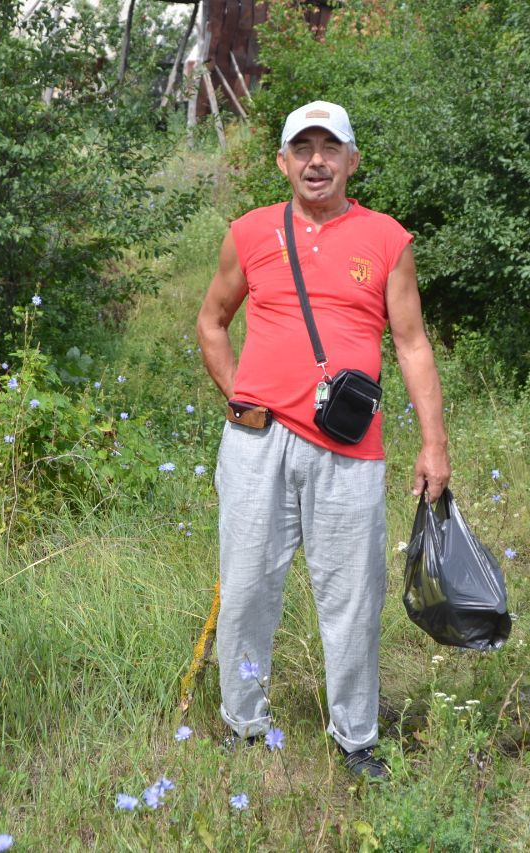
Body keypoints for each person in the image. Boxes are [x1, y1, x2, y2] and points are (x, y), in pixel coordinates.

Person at [196, 100, 451, 778]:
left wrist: (435, 446)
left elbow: (413, 344)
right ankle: (245, 723)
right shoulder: (249, 232)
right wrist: (240, 398)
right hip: (256, 447)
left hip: (350, 451)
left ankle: (355, 737)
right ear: (282, 162)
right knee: (247, 590)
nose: (316, 160)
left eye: (329, 147)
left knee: (352, 597)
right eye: (302, 148)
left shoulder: (387, 239)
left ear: (351, 160)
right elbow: (212, 321)